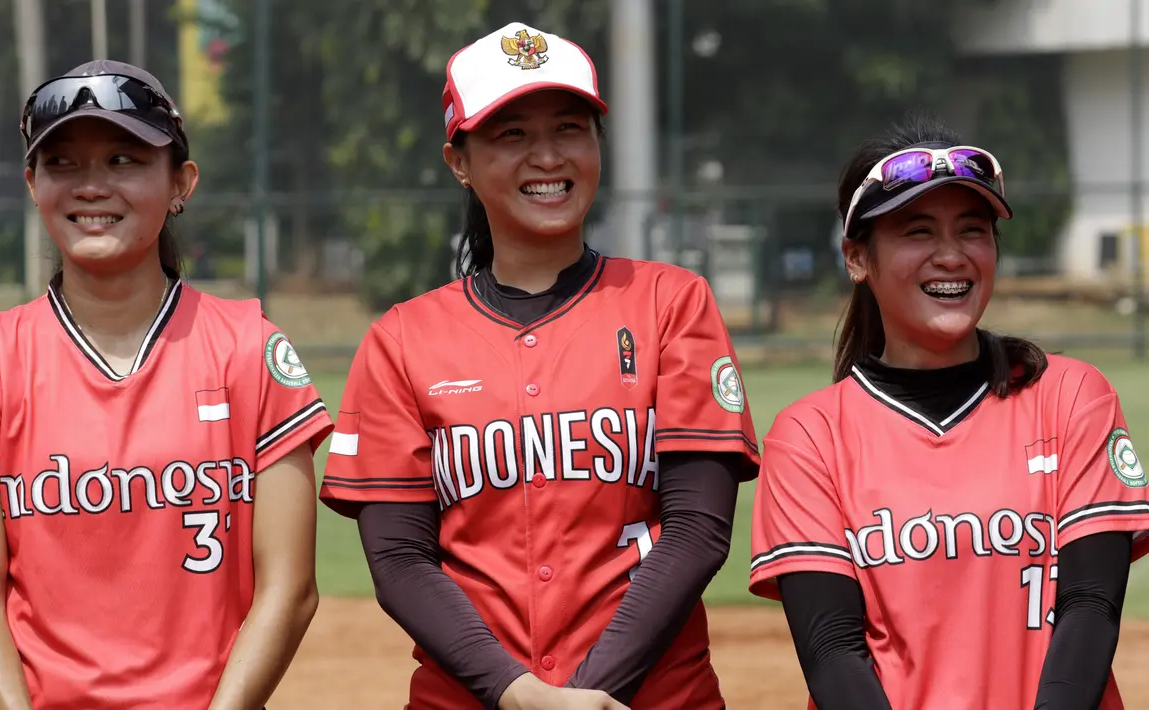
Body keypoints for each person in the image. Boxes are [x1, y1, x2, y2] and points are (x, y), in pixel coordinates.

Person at [318, 21, 761, 710]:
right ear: (457, 161)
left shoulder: (670, 303)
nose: (547, 157)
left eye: (568, 128)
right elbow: (401, 562)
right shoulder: (402, 339)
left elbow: (698, 530)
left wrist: (585, 696)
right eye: (511, 135)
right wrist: (518, 695)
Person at [0, 59, 333, 709]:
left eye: (123, 160)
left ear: (180, 184)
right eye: (63, 164)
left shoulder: (249, 348)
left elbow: (290, 589)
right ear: (32, 183)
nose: (92, 186)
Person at [747, 113, 1149, 710]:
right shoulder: (810, 435)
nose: (951, 255)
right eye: (917, 232)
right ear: (857, 259)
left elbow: (1091, 607)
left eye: (973, 230)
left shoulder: (1071, 396)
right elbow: (833, 651)